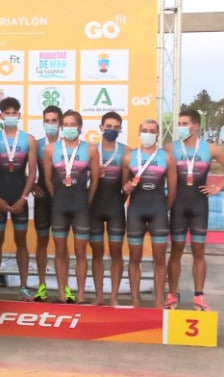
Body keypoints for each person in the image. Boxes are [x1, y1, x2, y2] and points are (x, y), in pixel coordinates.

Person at [166, 109, 224, 311]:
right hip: (178, 205)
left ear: (195, 126)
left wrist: (218, 187)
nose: (180, 127)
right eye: (178, 123)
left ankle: (199, 296)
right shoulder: (170, 148)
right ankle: (171, 295)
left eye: (184, 124)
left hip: (199, 205)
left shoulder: (211, 149)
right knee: (176, 251)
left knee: (199, 251)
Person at [43, 110, 99, 303]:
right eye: (64, 125)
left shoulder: (90, 149)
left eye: (72, 124)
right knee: (60, 250)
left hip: (81, 206)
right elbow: (48, 179)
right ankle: (61, 293)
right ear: (60, 127)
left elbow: (95, 180)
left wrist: (87, 201)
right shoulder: (51, 149)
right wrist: (56, 198)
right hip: (59, 205)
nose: (68, 128)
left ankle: (81, 295)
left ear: (80, 127)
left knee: (80, 251)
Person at [0, 97, 36, 301]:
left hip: (19, 197)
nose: (11, 116)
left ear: (19, 115)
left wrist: (24, 197)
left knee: (21, 241)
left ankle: (23, 286)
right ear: (1, 116)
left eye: (15, 113)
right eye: (8, 113)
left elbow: (32, 174)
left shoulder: (28, 139)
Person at [122, 119, 176, 308]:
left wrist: (163, 209)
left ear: (158, 134)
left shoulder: (167, 158)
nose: (148, 133)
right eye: (145, 130)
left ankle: (158, 301)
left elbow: (173, 191)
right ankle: (135, 300)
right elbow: (123, 188)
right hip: (136, 211)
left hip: (158, 211)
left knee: (160, 259)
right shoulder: (129, 158)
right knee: (134, 258)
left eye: (152, 131)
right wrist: (126, 188)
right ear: (139, 131)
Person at [88, 112, 129, 306]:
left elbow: (127, 185)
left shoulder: (127, 152)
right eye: (108, 126)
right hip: (93, 208)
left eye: (115, 127)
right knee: (96, 253)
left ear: (120, 129)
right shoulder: (89, 150)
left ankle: (113, 296)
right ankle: (98, 295)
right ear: (101, 127)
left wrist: (120, 199)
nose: (111, 130)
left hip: (115, 208)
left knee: (116, 253)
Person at [31, 105, 61, 302]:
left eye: (54, 121)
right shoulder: (37, 144)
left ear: (60, 123)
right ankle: (41, 286)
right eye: (47, 121)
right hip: (43, 200)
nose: (50, 124)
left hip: (62, 201)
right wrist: (31, 184)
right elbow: (25, 170)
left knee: (61, 246)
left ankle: (63, 288)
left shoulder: (68, 145)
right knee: (42, 243)